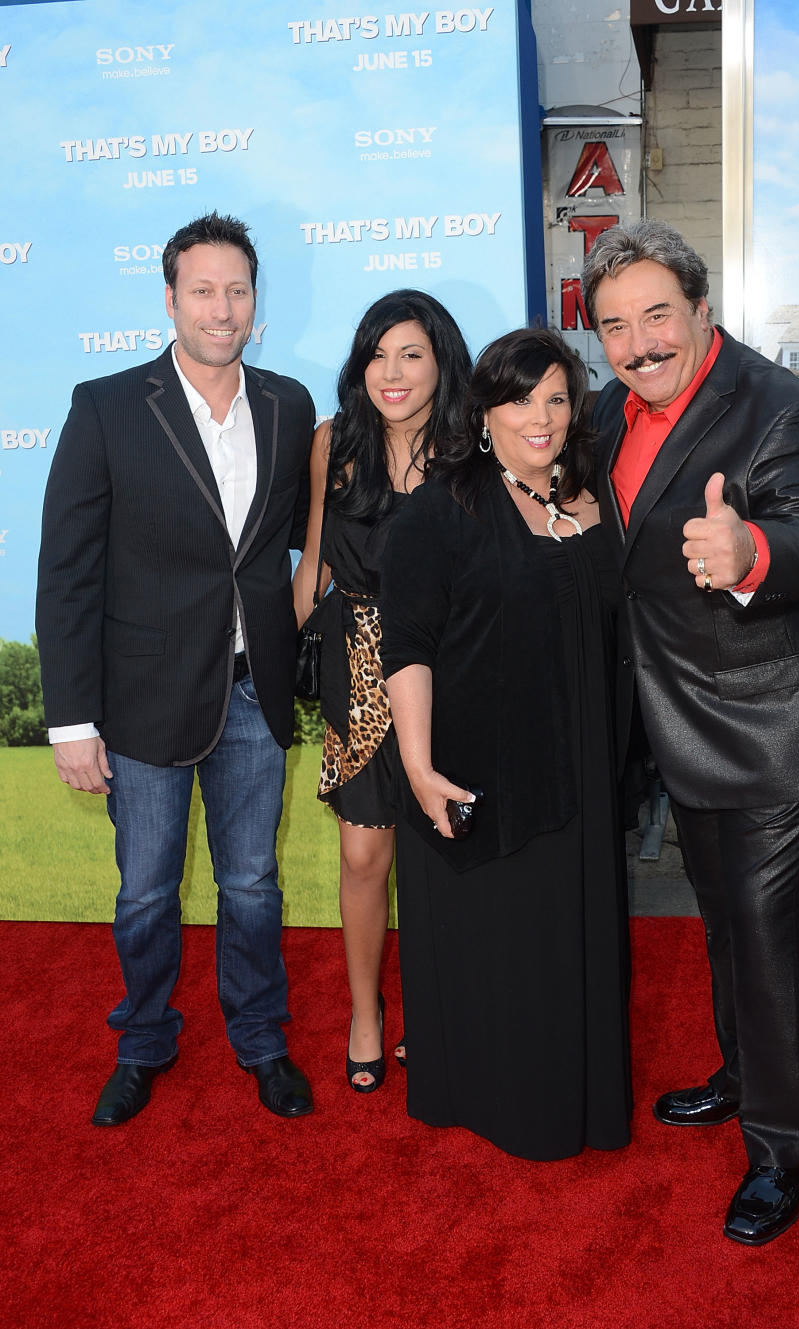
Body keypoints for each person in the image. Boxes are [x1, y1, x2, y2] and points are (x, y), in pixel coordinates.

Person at [582, 220, 799, 1243]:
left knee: (768, 940)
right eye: (616, 327)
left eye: (657, 316)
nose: (640, 344)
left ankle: (781, 1149)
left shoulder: (783, 408)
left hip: (776, 719)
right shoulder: (601, 416)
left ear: (702, 309)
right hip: (677, 717)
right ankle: (743, 1070)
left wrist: (749, 545)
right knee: (726, 923)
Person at [36, 212, 316, 1125]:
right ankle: (145, 1040)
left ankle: (262, 1040)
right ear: (170, 299)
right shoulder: (108, 405)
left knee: (253, 885)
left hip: (250, 692)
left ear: (254, 300)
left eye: (237, 289)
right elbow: (68, 570)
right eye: (203, 290)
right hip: (142, 699)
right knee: (147, 890)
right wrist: (73, 719)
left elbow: (286, 554)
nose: (222, 308)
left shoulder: (289, 404)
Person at [378, 327, 633, 1161]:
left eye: (558, 398)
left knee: (571, 941)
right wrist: (418, 769)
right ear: (484, 411)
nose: (542, 416)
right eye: (522, 398)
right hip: (483, 765)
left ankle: (580, 1098)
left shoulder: (594, 498)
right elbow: (407, 644)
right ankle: (503, 1104)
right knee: (503, 945)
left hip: (582, 764)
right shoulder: (438, 509)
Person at [292, 290, 471, 1093]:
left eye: (410, 354)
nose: (391, 372)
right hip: (357, 666)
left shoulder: (472, 445)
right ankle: (366, 1013)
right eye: (377, 354)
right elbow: (315, 564)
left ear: (441, 361)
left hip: (448, 667)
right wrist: (284, 654)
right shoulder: (337, 441)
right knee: (365, 854)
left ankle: (438, 1012)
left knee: (443, 856)